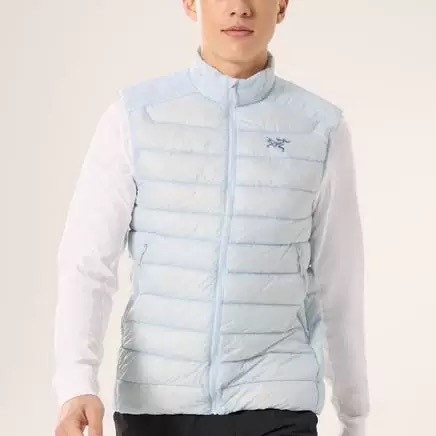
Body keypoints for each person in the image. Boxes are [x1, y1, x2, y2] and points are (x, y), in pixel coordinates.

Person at [52, 1, 370, 435]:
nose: (239, 8)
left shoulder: (320, 127)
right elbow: (88, 262)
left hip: (276, 404)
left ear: (281, 5)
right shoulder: (135, 116)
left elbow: (339, 281)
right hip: (156, 409)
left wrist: (354, 416)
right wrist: (76, 384)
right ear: (190, 3)